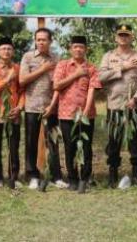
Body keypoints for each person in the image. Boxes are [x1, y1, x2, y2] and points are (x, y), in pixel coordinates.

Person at [46, 35, 102, 193]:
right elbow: (57, 85)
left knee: (86, 147)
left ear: (86, 49)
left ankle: (84, 178)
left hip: (86, 115)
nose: (78, 49)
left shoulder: (91, 68)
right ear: (70, 49)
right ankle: (72, 178)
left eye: (81, 47)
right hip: (66, 114)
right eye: (75, 47)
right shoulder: (62, 65)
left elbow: (92, 90)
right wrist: (76, 74)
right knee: (70, 147)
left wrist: (86, 111)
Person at [99, 23, 137, 187]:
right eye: (120, 35)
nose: (123, 37)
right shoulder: (108, 56)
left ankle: (136, 175)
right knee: (114, 141)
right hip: (114, 106)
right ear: (116, 38)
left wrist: (136, 98)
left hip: (134, 106)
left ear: (131, 37)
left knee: (135, 141)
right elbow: (101, 77)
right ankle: (112, 175)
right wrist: (122, 67)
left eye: (126, 35)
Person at [19, 27, 67, 190]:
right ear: (35, 41)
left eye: (44, 40)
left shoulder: (57, 58)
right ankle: (32, 176)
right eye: (38, 39)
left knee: (53, 142)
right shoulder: (27, 57)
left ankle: (56, 176)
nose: (40, 42)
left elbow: (58, 84)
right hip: (32, 106)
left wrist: (53, 105)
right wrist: (43, 69)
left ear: (50, 41)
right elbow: (22, 80)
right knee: (31, 142)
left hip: (51, 107)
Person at [0, 37, 24, 188]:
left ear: (13, 51)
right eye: (3, 49)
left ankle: (13, 177)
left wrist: (19, 107)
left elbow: (22, 91)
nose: (6, 51)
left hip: (13, 113)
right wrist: (8, 78)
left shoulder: (18, 68)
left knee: (13, 147)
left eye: (9, 49)